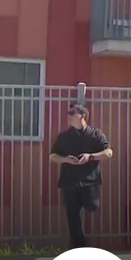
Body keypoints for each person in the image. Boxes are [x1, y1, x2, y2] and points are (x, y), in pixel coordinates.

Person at [49, 105, 113, 249]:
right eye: (68, 113)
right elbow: (53, 156)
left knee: (92, 205)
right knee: (72, 215)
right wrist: (66, 159)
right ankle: (78, 246)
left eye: (72, 113)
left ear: (83, 116)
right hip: (69, 181)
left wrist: (90, 156)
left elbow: (108, 152)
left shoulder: (95, 134)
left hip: (90, 180)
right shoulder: (64, 137)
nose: (69, 116)